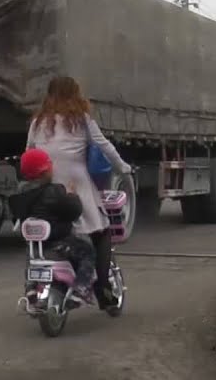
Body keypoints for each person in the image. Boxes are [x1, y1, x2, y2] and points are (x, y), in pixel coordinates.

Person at [26, 75, 132, 305]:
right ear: (75, 94)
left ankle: (34, 288)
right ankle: (102, 290)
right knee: (101, 232)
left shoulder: (37, 122)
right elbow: (104, 146)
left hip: (48, 185)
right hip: (78, 184)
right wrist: (123, 168)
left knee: (47, 237)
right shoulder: (81, 120)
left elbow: (29, 153)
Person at [8, 148, 98, 303]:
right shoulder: (54, 192)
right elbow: (74, 211)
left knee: (31, 261)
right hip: (58, 242)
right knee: (87, 250)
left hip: (35, 245)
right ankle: (81, 288)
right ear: (45, 171)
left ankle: (30, 288)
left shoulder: (20, 193)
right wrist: (72, 195)